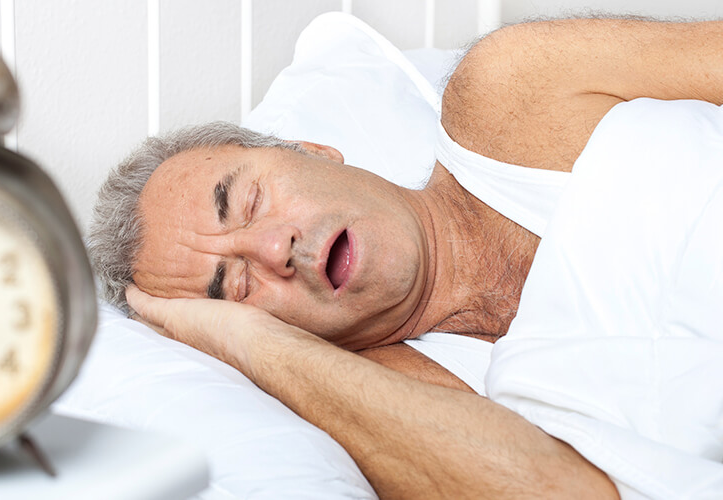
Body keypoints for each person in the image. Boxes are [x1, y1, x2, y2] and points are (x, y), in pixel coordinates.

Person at [89, 17, 723, 498]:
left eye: (248, 201)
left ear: (313, 150)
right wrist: (254, 346)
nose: (273, 249)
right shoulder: (389, 411)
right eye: (232, 285)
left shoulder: (513, 90)